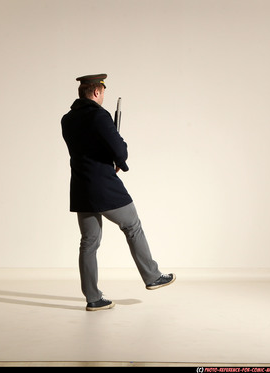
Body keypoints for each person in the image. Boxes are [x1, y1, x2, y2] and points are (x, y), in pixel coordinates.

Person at [61, 73, 175, 311]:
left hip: (81, 187)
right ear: (96, 92)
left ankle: (93, 298)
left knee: (89, 243)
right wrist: (118, 159)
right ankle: (152, 276)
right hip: (103, 185)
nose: (103, 97)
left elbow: (86, 149)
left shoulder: (67, 119)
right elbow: (119, 150)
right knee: (132, 225)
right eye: (103, 92)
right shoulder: (100, 116)